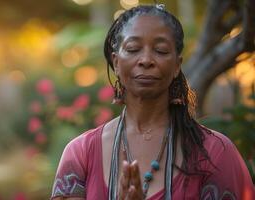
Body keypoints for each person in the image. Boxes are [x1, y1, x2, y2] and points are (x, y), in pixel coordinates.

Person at [51, 4, 255, 200]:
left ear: (177, 65)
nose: (146, 60)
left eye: (161, 50)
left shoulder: (215, 153)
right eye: (133, 49)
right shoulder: (80, 153)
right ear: (116, 63)